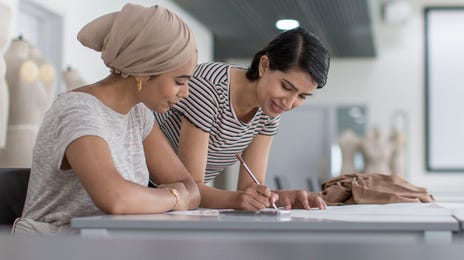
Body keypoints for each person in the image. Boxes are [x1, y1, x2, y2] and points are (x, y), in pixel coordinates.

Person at [12, 3, 200, 235]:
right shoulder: (78, 110)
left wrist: (171, 196)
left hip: (104, 244)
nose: (186, 92)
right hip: (53, 248)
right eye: (179, 82)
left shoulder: (138, 114)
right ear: (143, 72)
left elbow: (191, 188)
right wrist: (174, 197)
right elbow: (116, 198)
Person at [154, 27, 329, 210]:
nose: (289, 103)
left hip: (175, 200)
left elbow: (250, 188)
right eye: (286, 87)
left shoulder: (269, 110)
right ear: (264, 65)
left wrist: (285, 197)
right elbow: (190, 187)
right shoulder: (210, 88)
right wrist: (237, 200)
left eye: (302, 96)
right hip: (149, 189)